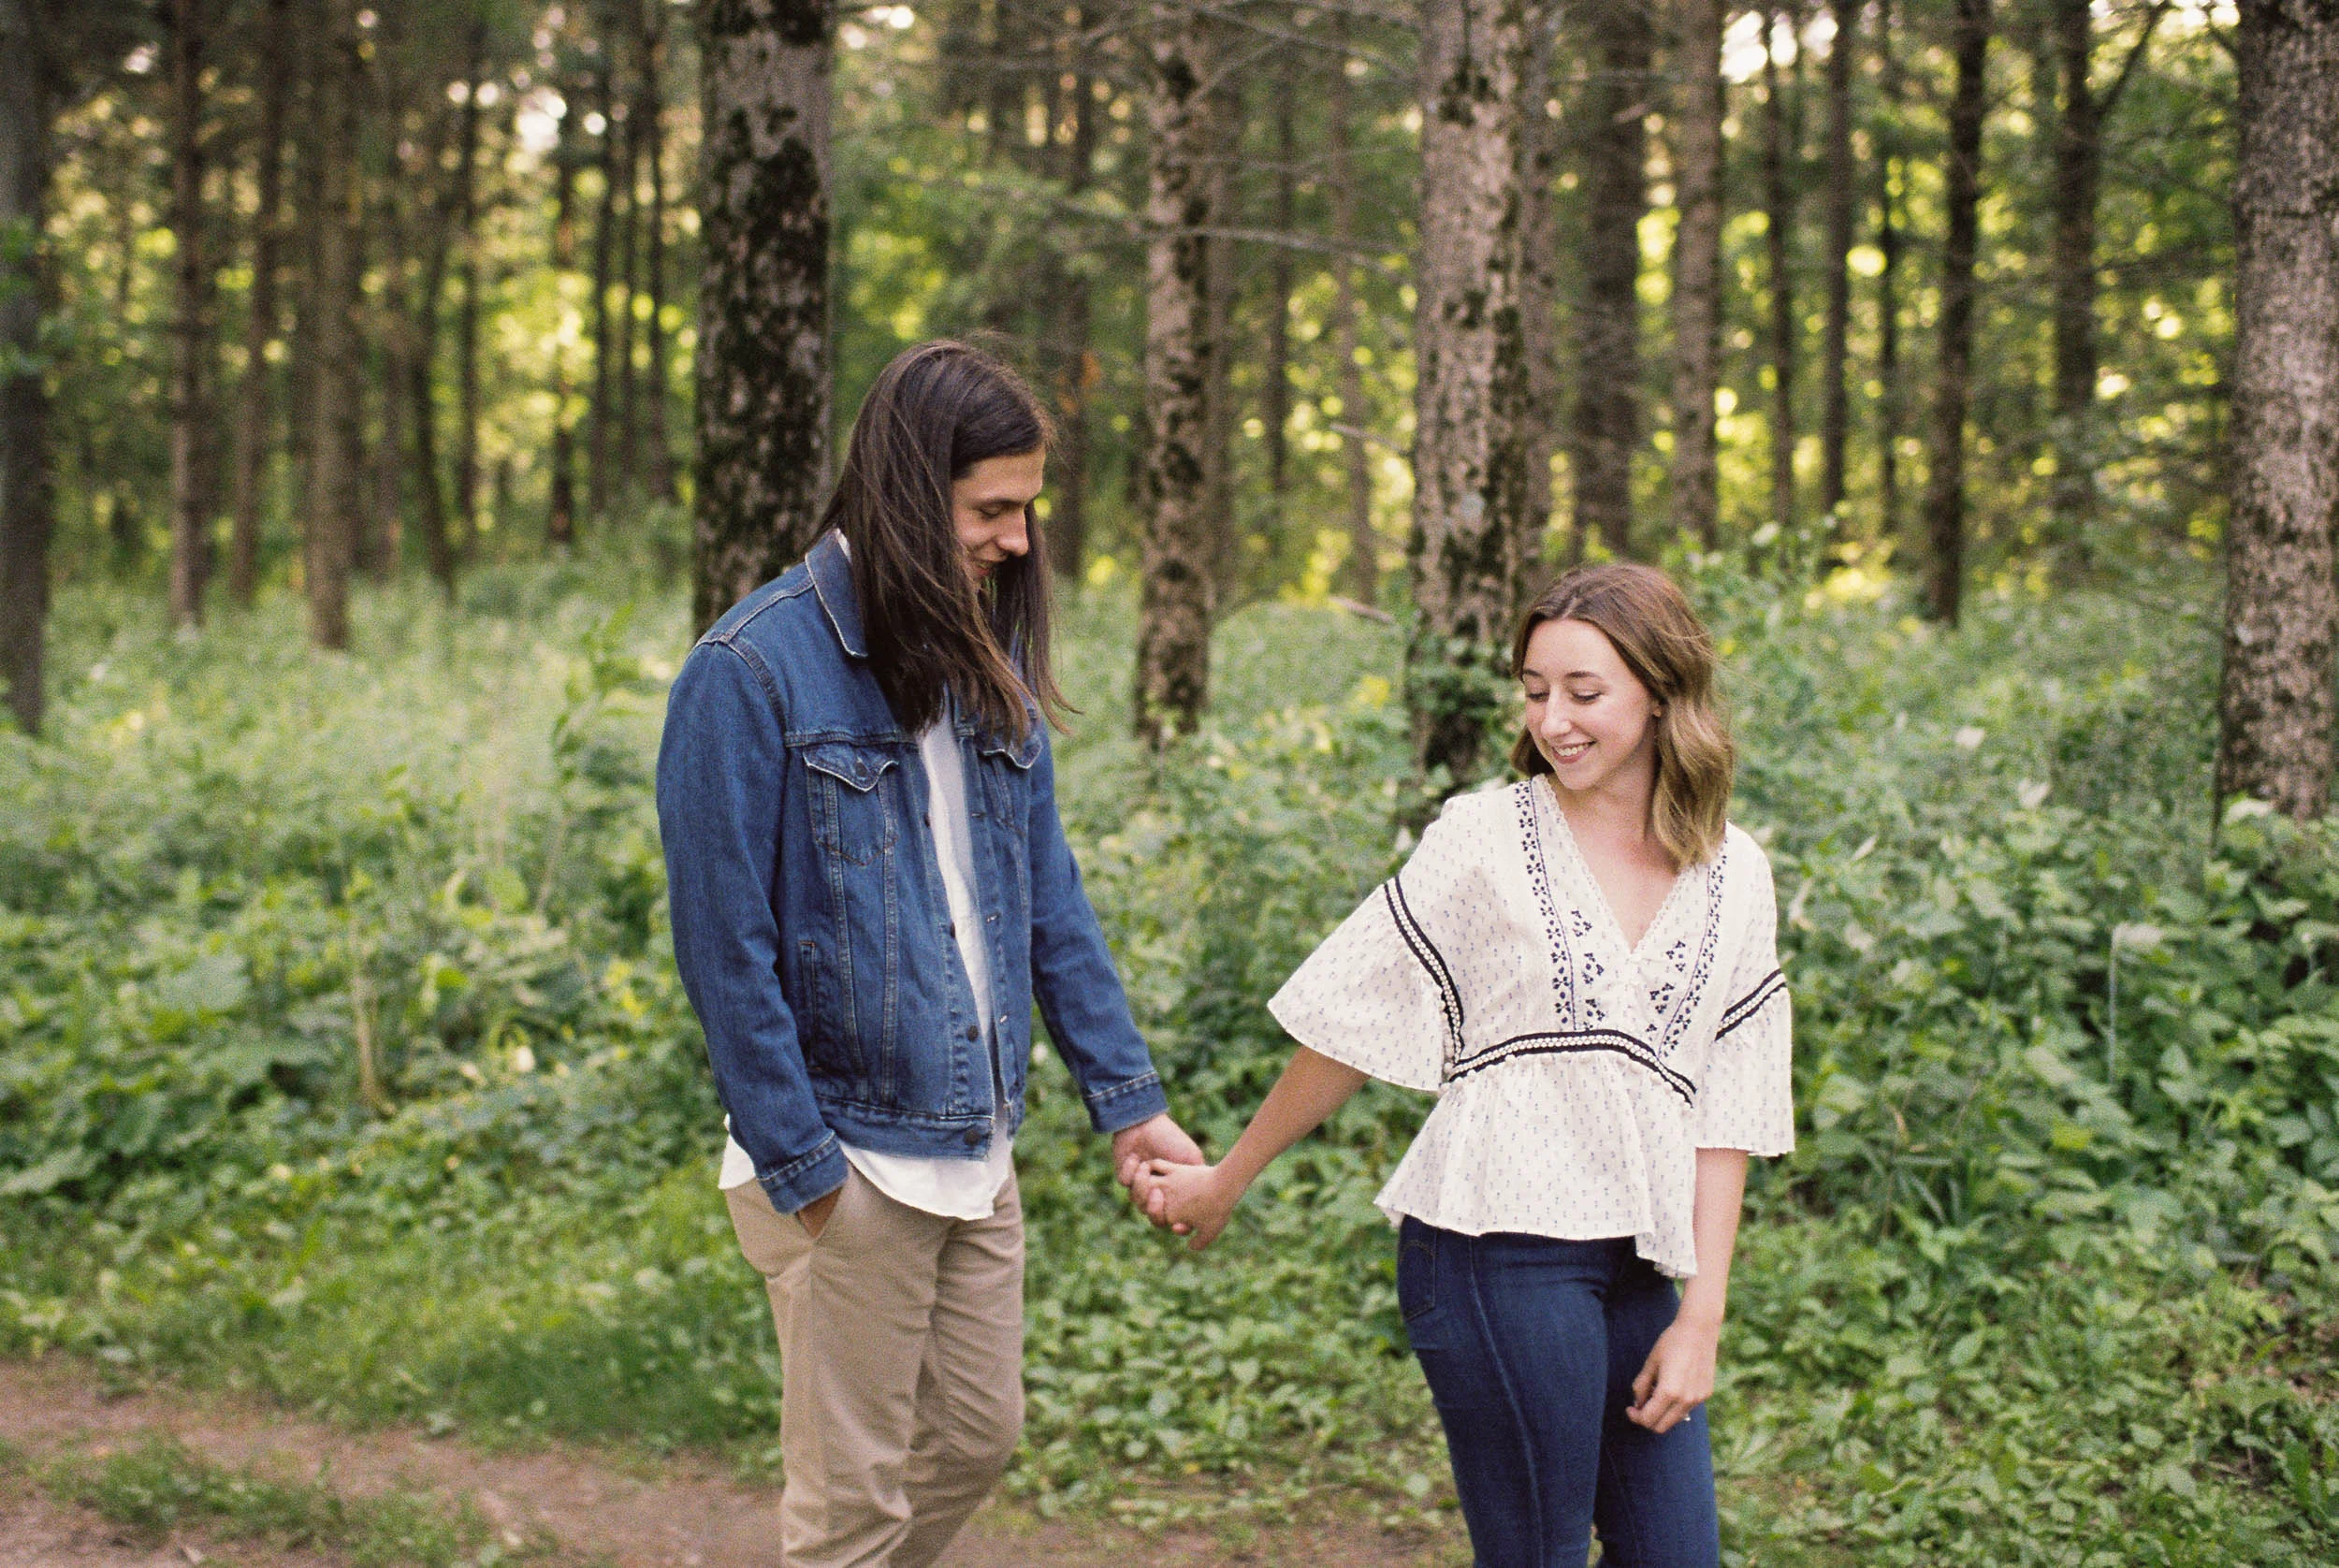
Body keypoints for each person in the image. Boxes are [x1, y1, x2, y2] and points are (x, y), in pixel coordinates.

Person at [657, 340, 1201, 1568]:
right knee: (852, 1511)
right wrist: (806, 1172)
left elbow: (1047, 902)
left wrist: (1129, 1101)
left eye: (1026, 509)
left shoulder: (982, 658)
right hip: (848, 1160)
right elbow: (724, 950)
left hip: (976, 1137)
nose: (1017, 539)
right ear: (910, 495)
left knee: (972, 1438)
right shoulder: (747, 673)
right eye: (991, 510)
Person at [1138, 562, 1794, 1568]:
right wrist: (1228, 1176)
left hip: (1637, 1270)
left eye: (1584, 691)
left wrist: (1700, 1314)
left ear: (1660, 693)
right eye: (1535, 691)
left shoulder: (1735, 871)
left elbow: (1729, 1104)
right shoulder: (1483, 836)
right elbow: (1350, 1022)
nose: (1553, 720)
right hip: (1496, 1247)